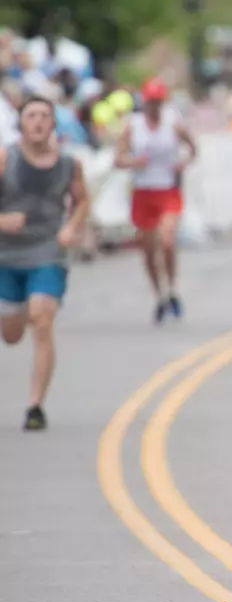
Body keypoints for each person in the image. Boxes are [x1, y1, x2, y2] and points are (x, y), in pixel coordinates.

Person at [0, 96, 90, 430]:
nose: (38, 122)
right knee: (10, 335)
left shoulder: (69, 164)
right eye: (31, 116)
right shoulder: (5, 158)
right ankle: (19, 309)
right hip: (6, 256)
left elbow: (82, 201)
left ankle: (35, 405)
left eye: (44, 116)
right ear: (20, 123)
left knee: (42, 317)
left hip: (47, 252)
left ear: (53, 123)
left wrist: (72, 226)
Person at [114, 77, 197, 324]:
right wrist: (132, 162)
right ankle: (159, 295)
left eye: (158, 102)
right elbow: (117, 159)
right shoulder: (133, 126)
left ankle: (172, 288)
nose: (154, 107)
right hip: (142, 192)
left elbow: (193, 147)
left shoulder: (174, 124)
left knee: (168, 240)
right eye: (150, 102)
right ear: (144, 102)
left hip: (167, 190)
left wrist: (184, 162)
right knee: (149, 250)